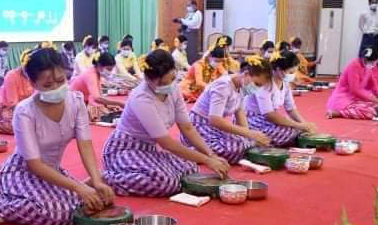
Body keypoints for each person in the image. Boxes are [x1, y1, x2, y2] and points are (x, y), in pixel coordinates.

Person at [0, 48, 114, 225]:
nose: (57, 88)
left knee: (95, 201)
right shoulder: (25, 111)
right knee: (54, 214)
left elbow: (86, 145)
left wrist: (96, 180)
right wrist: (78, 187)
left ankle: (20, 209)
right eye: (48, 85)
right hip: (20, 172)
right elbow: (34, 165)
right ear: (33, 83)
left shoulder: (76, 101)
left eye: (61, 81)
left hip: (52, 171)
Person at [101, 50, 229, 197]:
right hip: (124, 150)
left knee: (190, 169)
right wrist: (207, 160)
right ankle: (106, 179)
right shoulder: (141, 98)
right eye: (163, 82)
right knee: (165, 182)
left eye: (173, 78)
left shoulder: (173, 87)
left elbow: (187, 127)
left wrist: (210, 155)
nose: (170, 84)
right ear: (150, 80)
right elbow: (166, 143)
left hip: (148, 149)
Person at [182, 60, 271, 163]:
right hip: (198, 126)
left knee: (246, 143)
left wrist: (250, 137)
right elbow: (215, 120)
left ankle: (205, 150)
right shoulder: (223, 86)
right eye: (257, 84)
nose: (257, 88)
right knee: (237, 147)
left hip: (213, 128)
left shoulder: (241, 88)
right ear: (246, 74)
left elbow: (240, 116)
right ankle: (193, 151)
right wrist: (250, 134)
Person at [244, 53, 319, 147]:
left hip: (268, 119)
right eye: (290, 72)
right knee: (290, 131)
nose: (293, 75)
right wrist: (299, 125)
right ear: (279, 69)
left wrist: (304, 123)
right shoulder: (265, 83)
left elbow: (291, 108)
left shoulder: (285, 84)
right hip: (252, 120)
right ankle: (255, 142)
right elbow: (270, 115)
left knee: (296, 129)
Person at [0, 49, 35, 135]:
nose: (30, 71)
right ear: (22, 64)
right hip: (8, 109)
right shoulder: (11, 76)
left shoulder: (36, 76)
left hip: (28, 109)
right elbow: (13, 104)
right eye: (27, 68)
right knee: (19, 126)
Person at [326, 47, 378, 119]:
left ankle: (355, 109)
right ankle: (337, 113)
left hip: (355, 99)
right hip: (343, 99)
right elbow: (355, 91)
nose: (374, 64)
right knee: (370, 112)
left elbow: (373, 84)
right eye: (373, 61)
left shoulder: (368, 66)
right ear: (364, 58)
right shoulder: (354, 65)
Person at [70, 52, 125, 121]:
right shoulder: (91, 74)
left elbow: (99, 94)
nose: (110, 72)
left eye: (111, 69)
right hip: (74, 104)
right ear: (99, 65)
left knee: (106, 111)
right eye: (108, 69)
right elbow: (97, 98)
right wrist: (119, 103)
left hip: (81, 101)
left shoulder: (96, 72)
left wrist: (108, 105)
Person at [173, 0, 202, 64]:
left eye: (189, 5)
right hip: (186, 34)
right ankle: (187, 66)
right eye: (187, 5)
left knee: (192, 51)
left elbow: (192, 23)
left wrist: (181, 20)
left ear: (194, 5)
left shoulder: (198, 13)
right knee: (186, 50)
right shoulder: (189, 14)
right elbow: (186, 23)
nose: (187, 7)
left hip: (193, 34)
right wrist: (180, 23)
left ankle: (192, 66)